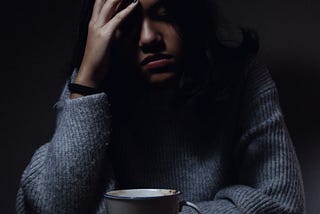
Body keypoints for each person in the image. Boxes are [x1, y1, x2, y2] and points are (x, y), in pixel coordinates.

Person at [16, 0, 305, 213]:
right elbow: (55, 206)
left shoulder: (241, 78)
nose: (148, 38)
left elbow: (283, 204)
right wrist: (87, 78)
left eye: (164, 15)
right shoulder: (89, 88)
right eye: (127, 24)